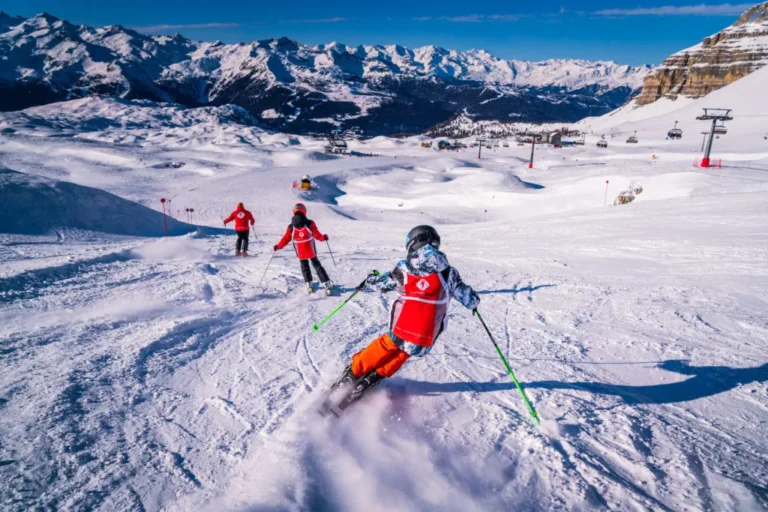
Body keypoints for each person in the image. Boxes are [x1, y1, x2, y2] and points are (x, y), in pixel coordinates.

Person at [327, 225, 480, 410]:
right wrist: (473, 303)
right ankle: (372, 379)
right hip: (426, 337)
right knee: (406, 350)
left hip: (402, 328)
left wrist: (369, 280)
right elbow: (468, 297)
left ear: (413, 244)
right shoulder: (450, 273)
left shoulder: (405, 268)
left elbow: (383, 284)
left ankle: (354, 373)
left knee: (387, 344)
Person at [273, 203, 333, 294]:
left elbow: (285, 239)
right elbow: (316, 234)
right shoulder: (310, 223)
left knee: (304, 266)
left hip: (300, 252)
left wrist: (278, 246)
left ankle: (308, 283)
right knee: (316, 265)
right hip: (310, 250)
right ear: (304, 211)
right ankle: (326, 282)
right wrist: (323, 237)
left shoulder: (291, 227)